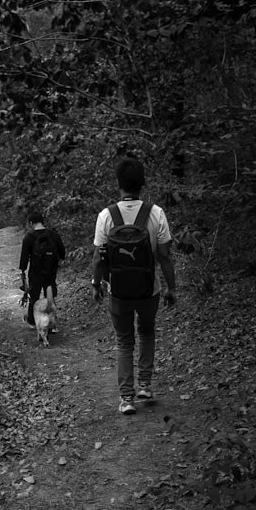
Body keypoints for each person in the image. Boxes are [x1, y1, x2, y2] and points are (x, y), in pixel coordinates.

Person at [91, 158, 177, 415]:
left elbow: (98, 257)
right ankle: (145, 386)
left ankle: (126, 398)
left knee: (124, 341)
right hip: (149, 289)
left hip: (118, 291)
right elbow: (164, 256)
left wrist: (96, 285)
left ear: (118, 184)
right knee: (147, 332)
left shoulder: (106, 216)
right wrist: (171, 288)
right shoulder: (156, 213)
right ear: (142, 183)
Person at [18, 212, 66, 327]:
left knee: (34, 296)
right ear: (42, 222)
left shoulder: (28, 237)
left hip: (35, 272)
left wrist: (23, 270)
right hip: (51, 271)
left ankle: (32, 321)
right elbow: (62, 253)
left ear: (31, 223)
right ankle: (52, 323)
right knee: (50, 296)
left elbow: (24, 257)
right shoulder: (54, 235)